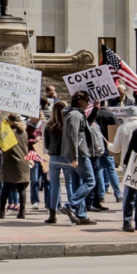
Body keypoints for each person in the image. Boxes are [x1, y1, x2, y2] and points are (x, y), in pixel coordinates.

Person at [59, 91, 98, 226]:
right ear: (80, 101)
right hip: (79, 155)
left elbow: (84, 126)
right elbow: (73, 137)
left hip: (74, 154)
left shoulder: (74, 114)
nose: (88, 103)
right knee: (90, 181)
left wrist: (96, 108)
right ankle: (70, 206)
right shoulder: (75, 115)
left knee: (77, 184)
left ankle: (81, 215)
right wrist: (75, 157)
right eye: (87, 101)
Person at [44, 101, 72, 224]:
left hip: (54, 157)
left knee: (54, 187)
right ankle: (72, 210)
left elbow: (46, 144)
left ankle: (52, 214)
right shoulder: (68, 123)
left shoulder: (49, 125)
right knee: (69, 185)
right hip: (67, 156)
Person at [0, 114, 30, 219]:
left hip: (10, 163)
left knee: (6, 188)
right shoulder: (24, 132)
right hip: (23, 163)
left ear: (11, 121)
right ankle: (22, 212)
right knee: (22, 189)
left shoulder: (8, 133)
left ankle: (2, 212)